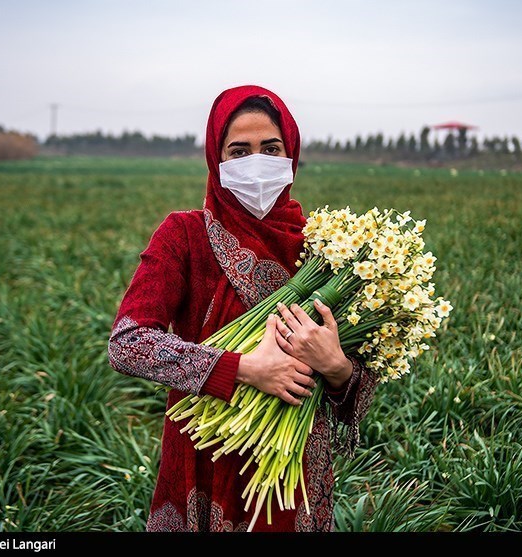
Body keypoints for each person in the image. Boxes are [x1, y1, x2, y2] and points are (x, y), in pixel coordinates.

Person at [108, 84, 378, 532]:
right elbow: (128, 344)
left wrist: (338, 368)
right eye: (239, 151)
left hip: (294, 468)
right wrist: (243, 369)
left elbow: (357, 401)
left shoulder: (328, 248)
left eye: (271, 149)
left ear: (291, 154)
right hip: (205, 454)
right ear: (217, 160)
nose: (257, 163)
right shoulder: (184, 236)